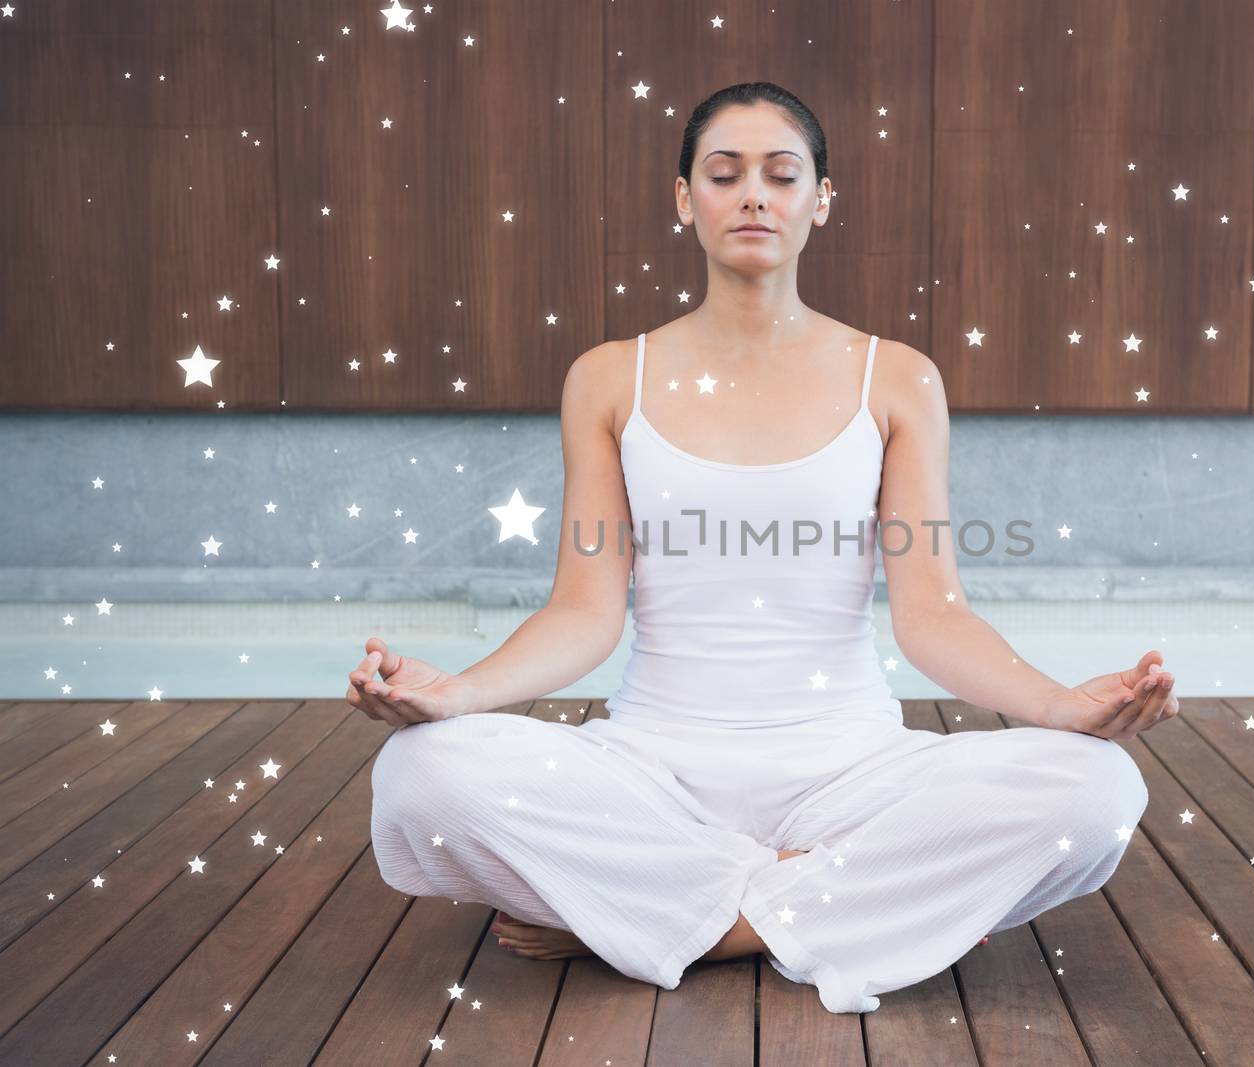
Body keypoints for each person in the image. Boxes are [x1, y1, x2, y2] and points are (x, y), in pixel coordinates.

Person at [348, 82, 1179, 1015]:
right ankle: (843, 905)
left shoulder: (897, 377)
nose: (754, 196)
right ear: (683, 198)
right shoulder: (609, 377)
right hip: (651, 771)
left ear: (820, 201)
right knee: (420, 774)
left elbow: (934, 615)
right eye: (724, 173)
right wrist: (456, 694)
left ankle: (653, 919)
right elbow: (584, 611)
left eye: (783, 175)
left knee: (1097, 788)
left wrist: (1060, 704)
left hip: (851, 773)